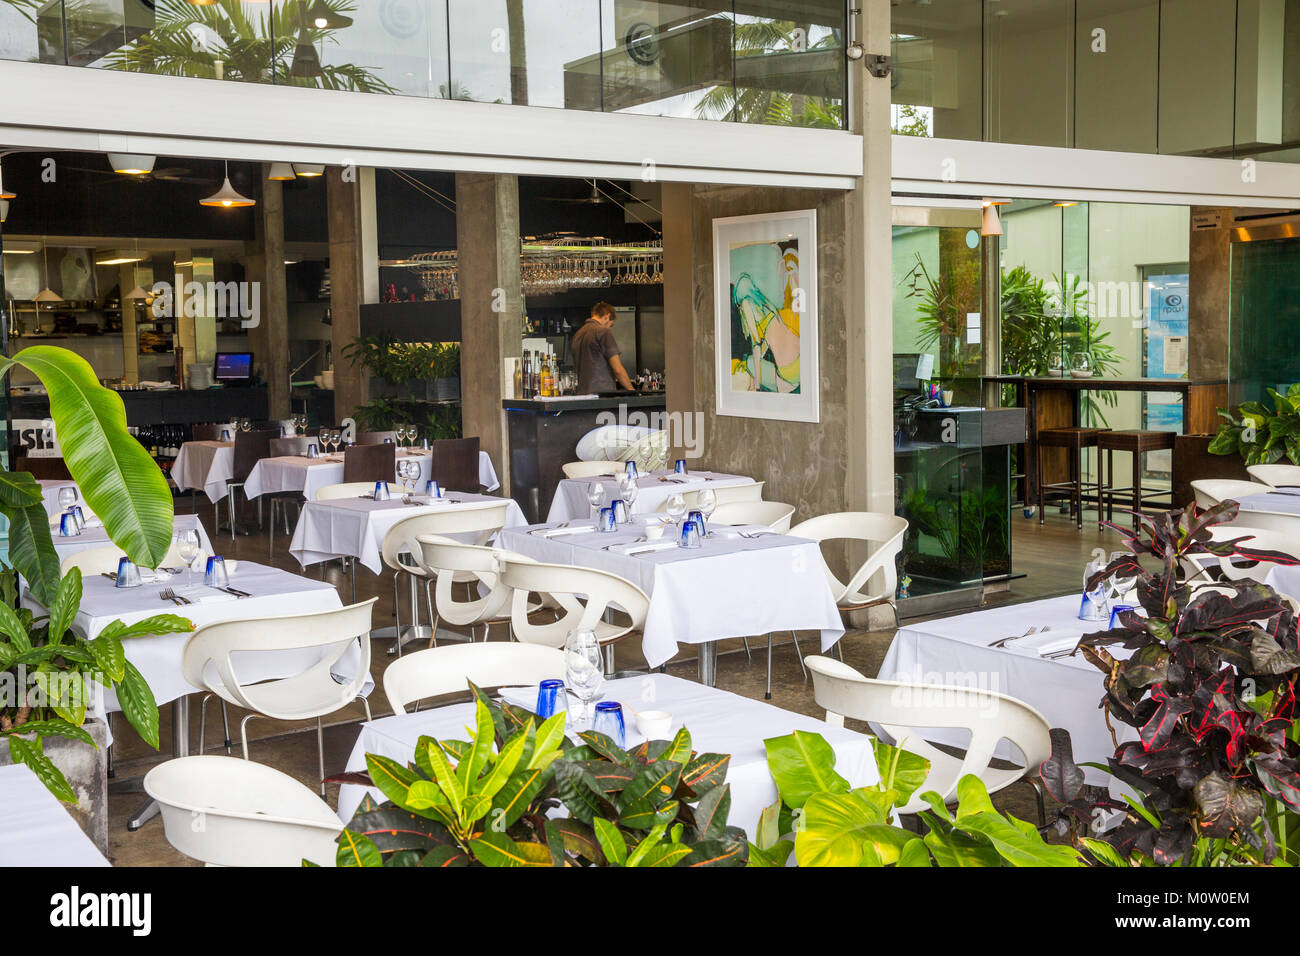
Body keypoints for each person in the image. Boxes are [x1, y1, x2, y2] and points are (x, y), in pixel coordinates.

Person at [572, 301, 634, 394]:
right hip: (603, 395)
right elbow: (617, 369)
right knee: (623, 408)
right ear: (607, 316)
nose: (609, 328)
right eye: (611, 325)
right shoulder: (603, 332)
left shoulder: (578, 334)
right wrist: (632, 391)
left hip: (582, 394)